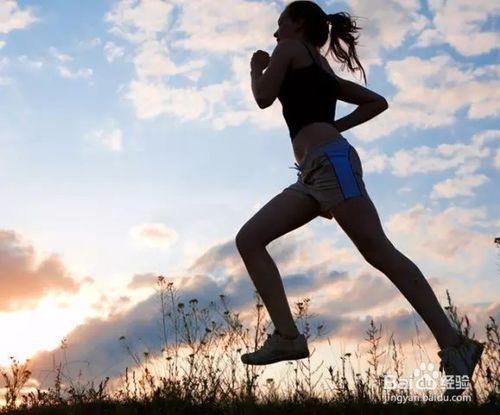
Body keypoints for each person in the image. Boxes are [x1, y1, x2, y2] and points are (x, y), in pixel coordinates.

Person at [236, 0, 484, 398]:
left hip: (332, 166)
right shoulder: (321, 69)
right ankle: (288, 337)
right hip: (316, 172)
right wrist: (333, 126)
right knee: (249, 239)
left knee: (380, 253)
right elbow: (376, 101)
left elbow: (264, 96)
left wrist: (255, 69)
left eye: (280, 23)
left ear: (298, 24)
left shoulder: (289, 50)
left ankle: (455, 345)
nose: (275, 32)